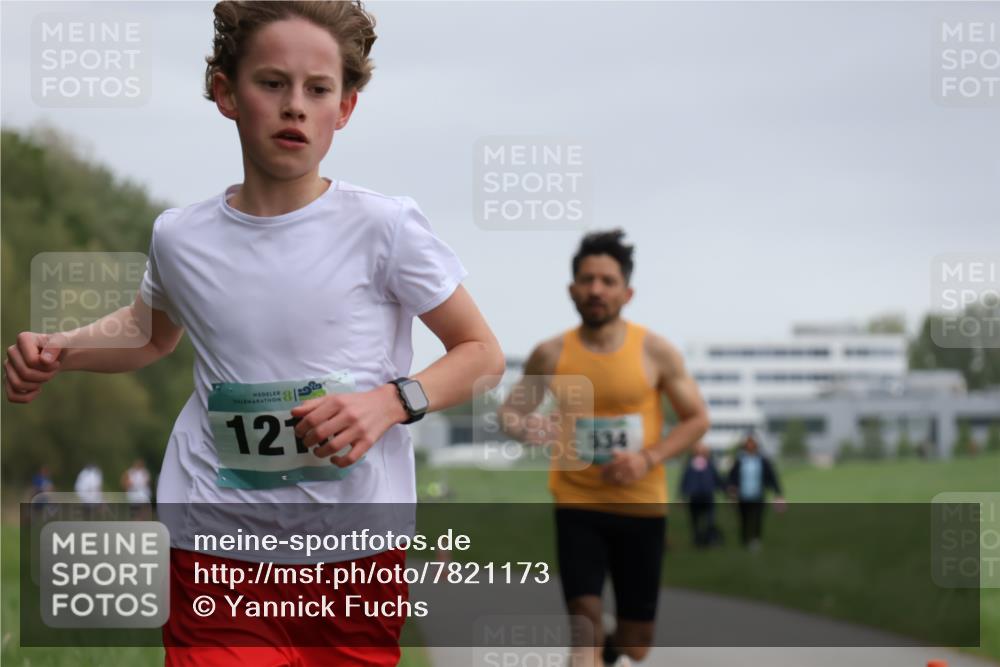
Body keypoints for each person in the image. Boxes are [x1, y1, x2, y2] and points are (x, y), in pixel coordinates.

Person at [4, 2, 504, 665]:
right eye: (272, 83)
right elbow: (149, 331)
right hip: (214, 537)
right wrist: (61, 348)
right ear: (225, 93)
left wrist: (389, 402)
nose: (295, 106)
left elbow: (481, 353)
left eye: (318, 89)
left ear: (345, 108)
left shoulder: (385, 229)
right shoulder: (181, 237)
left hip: (353, 551)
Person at [498, 229, 709, 667]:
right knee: (585, 623)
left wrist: (647, 459)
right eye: (588, 279)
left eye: (607, 281)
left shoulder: (655, 352)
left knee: (636, 643)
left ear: (627, 292)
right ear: (572, 289)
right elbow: (509, 414)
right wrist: (528, 427)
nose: (596, 289)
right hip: (578, 502)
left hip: (641, 506)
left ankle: (610, 653)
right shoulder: (550, 353)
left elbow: (697, 420)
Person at [726, 433, 785, 551]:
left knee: (758, 519)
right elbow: (731, 477)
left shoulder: (763, 460)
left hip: (758, 496)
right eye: (748, 443)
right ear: (744, 445)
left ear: (757, 445)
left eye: (752, 443)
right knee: (744, 519)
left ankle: (756, 540)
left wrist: (778, 494)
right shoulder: (739, 460)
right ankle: (744, 540)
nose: (750, 445)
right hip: (743, 496)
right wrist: (731, 489)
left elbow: (772, 477)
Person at [680, 441, 725, 548]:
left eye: (702, 450)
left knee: (710, 520)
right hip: (694, 497)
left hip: (708, 496)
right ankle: (697, 541)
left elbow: (716, 478)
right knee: (695, 521)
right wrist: (682, 496)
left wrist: (726, 489)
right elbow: (684, 480)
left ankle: (710, 540)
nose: (700, 452)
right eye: (698, 449)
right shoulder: (690, 464)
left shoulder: (710, 464)